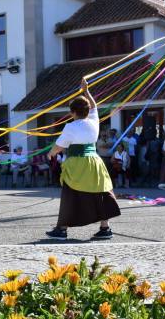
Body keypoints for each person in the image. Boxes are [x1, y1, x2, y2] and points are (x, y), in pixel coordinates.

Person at [46, 79, 120, 240]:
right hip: (95, 161)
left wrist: (50, 154)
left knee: (70, 194)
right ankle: (105, 228)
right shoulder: (94, 121)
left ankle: (62, 229)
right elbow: (94, 106)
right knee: (101, 192)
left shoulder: (71, 127)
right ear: (86, 111)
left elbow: (59, 146)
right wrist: (87, 90)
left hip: (77, 163)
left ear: (72, 112)